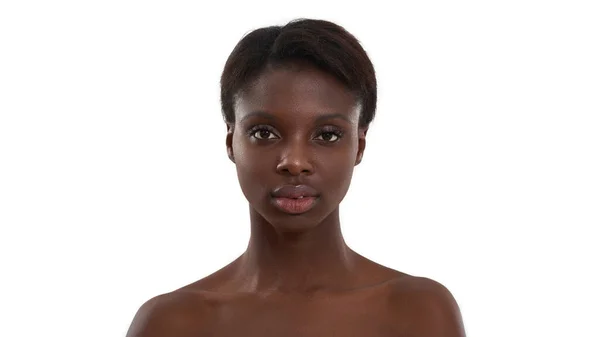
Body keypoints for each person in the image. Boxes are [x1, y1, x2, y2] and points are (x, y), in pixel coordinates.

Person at [126, 18, 466, 337]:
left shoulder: (418, 313)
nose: (295, 162)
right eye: (264, 133)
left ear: (359, 146)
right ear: (231, 142)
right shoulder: (173, 324)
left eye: (328, 135)